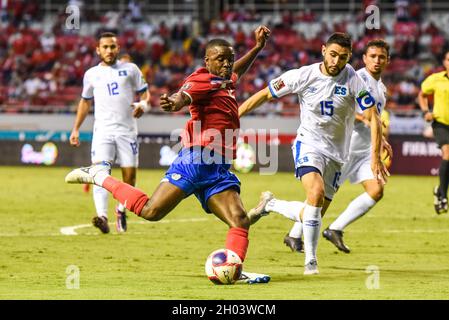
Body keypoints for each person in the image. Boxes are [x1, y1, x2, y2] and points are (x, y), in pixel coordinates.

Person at [66, 26, 272, 283]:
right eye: (221, 59)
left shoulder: (226, 79)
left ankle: (234, 270)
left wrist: (257, 48)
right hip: (197, 161)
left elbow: (237, 70)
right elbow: (184, 95)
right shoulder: (201, 79)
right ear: (207, 61)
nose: (227, 64)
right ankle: (99, 176)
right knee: (152, 212)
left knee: (240, 220)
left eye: (229, 59)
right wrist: (175, 102)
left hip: (218, 168)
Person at [239, 33, 388, 275]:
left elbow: (372, 115)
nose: (336, 61)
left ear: (348, 57)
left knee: (314, 211)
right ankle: (311, 262)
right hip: (309, 144)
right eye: (332, 54)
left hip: (337, 155)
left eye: (342, 57)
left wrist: (374, 157)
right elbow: (266, 94)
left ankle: (271, 204)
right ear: (322, 50)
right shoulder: (304, 75)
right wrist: (234, 116)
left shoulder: (353, 78)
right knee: (315, 194)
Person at [283, 39, 393, 254]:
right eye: (372, 56)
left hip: (363, 151)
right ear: (364, 58)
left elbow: (375, 119)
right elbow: (348, 109)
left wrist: (381, 138)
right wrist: (369, 120)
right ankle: (295, 234)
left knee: (376, 190)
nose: (377, 61)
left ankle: (335, 229)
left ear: (388, 60)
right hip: (345, 147)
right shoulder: (355, 77)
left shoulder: (382, 88)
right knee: (320, 197)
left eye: (381, 57)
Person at [69, 32, 151, 234]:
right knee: (100, 173)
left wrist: (143, 105)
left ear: (118, 48)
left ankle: (121, 209)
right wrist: (76, 128)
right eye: (104, 47)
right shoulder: (91, 74)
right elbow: (85, 101)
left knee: (129, 178)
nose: (109, 50)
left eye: (112, 47)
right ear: (98, 50)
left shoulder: (131, 69)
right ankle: (102, 216)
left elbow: (146, 94)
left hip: (127, 131)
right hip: (102, 131)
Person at [418, 50, 449, 214]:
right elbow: (422, 95)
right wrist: (425, 112)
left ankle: (439, 190)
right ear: (444, 62)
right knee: (447, 153)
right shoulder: (436, 79)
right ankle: (444, 196)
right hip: (441, 123)